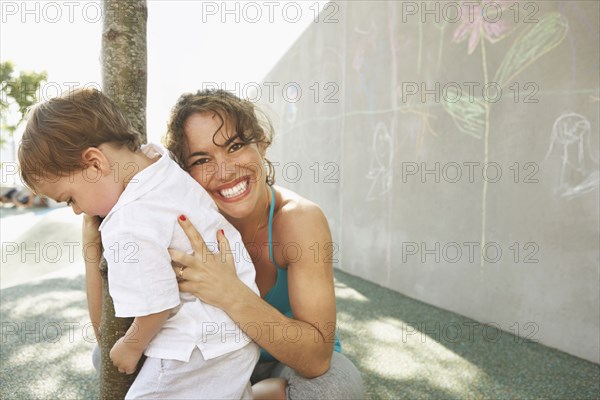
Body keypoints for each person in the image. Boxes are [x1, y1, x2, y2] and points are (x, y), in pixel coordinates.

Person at [18, 88, 259, 399]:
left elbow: (159, 304)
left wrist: (132, 345)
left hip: (195, 349)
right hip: (237, 335)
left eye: (70, 199)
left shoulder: (127, 221)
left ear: (95, 163)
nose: (78, 211)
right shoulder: (161, 163)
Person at [164, 89, 364, 399]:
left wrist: (229, 293)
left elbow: (316, 358)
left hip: (288, 364)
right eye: (202, 159)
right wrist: (94, 231)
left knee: (337, 386)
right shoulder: (185, 226)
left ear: (261, 143)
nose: (225, 171)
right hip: (219, 357)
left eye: (235, 146)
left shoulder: (299, 220)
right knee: (108, 353)